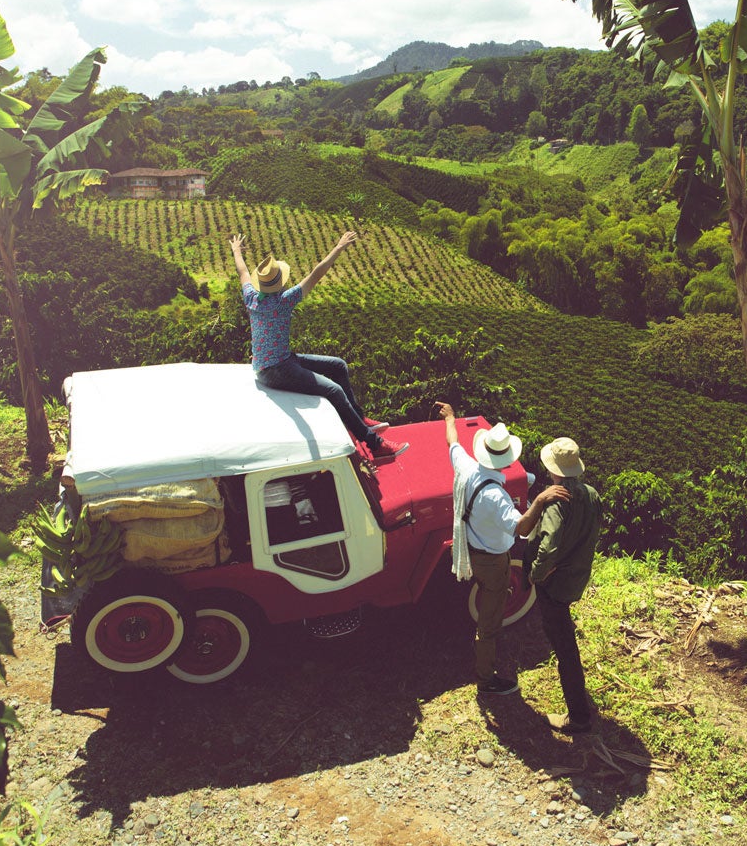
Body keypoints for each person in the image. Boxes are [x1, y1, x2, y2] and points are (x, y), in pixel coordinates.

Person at [231, 231, 405, 461]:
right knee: (334, 390)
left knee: (338, 365)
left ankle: (359, 419)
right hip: (276, 370)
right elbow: (317, 273)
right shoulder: (283, 301)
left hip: (275, 362)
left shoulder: (252, 298)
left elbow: (243, 272)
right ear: (280, 282)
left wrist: (236, 250)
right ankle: (374, 444)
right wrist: (339, 247)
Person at [436, 401, 567, 696]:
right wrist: (541, 499)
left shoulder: (466, 466)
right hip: (492, 562)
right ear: (506, 460)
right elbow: (520, 528)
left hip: (468, 549)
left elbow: (453, 443)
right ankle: (485, 679)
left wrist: (450, 418)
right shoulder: (497, 496)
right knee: (490, 622)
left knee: (481, 600)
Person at [524, 437, 601, 733]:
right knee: (564, 634)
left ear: (552, 469)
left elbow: (549, 546)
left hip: (554, 583)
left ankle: (578, 716)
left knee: (565, 646)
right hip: (576, 576)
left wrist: (536, 574)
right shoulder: (591, 494)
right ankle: (580, 704)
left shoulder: (556, 502)